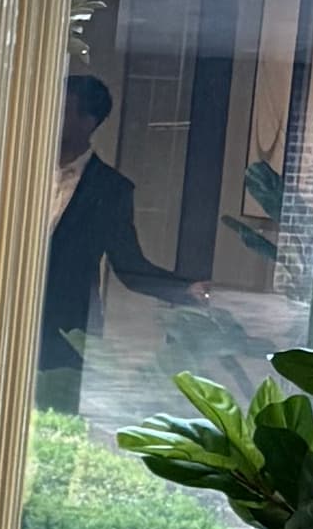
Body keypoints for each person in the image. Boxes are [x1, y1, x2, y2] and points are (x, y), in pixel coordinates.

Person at [35, 71, 202, 409]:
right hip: (9, 317)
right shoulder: (22, 170)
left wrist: (186, 289)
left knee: (56, 423)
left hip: (68, 327)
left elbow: (129, 266)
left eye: (62, 109)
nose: (49, 115)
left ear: (88, 121)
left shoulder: (111, 189)